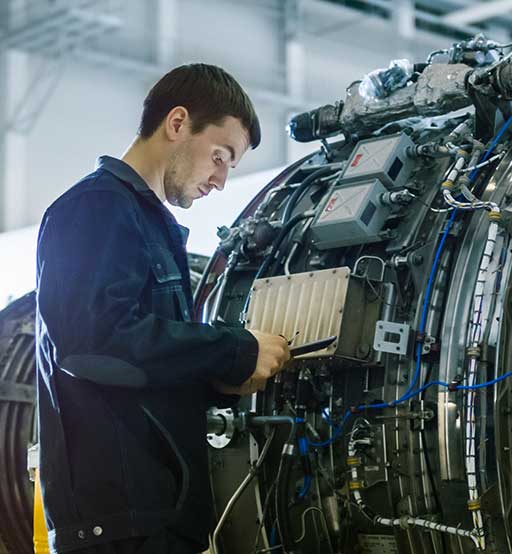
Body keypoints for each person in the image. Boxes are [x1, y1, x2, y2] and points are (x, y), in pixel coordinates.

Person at [36, 63, 290, 554]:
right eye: (220, 156)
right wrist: (232, 351)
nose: (219, 180)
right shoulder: (94, 208)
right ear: (177, 123)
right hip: (120, 525)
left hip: (158, 519)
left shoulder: (150, 226)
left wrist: (220, 381)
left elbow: (147, 364)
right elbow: (94, 342)